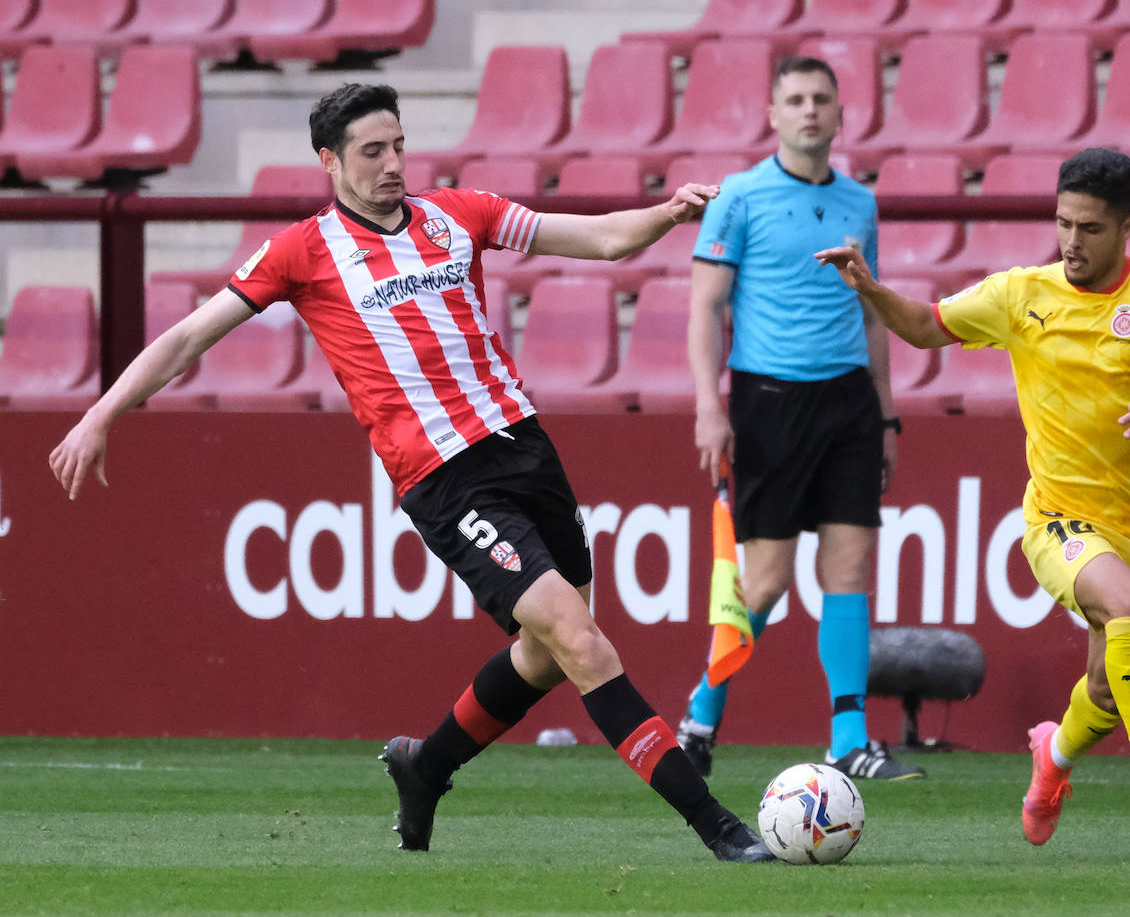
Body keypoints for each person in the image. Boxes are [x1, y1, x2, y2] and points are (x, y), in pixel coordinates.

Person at [49, 83, 774, 863]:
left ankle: (425, 765)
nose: (394, 163)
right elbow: (189, 338)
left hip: (524, 446)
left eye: (398, 145)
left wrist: (667, 214)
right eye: (372, 151)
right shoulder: (304, 251)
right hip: (446, 479)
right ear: (328, 161)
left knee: (544, 653)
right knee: (580, 639)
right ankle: (718, 827)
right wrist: (102, 413)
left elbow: (598, 239)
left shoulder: (459, 214)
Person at [816, 147, 1130, 842]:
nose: (1071, 241)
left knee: (1104, 689)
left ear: (1128, 228)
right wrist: (869, 287)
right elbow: (923, 326)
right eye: (1064, 222)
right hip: (1060, 518)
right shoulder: (1021, 294)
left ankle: (1051, 758)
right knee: (1124, 606)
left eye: (1091, 228)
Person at [675, 55, 923, 782]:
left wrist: (884, 417)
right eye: (796, 99)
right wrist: (707, 407)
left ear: (841, 115)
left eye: (822, 98)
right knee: (768, 583)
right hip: (769, 404)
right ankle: (698, 717)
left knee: (849, 570)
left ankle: (849, 738)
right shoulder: (740, 198)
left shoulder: (860, 204)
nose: (810, 110)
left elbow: (874, 314)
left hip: (847, 403)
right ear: (773, 114)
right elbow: (704, 308)